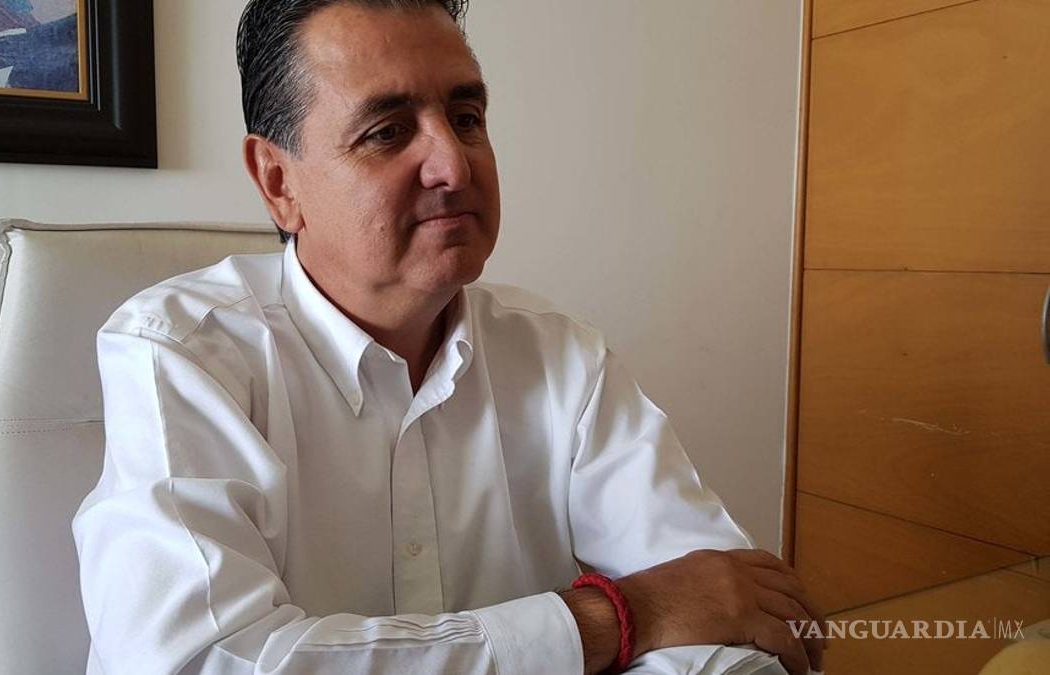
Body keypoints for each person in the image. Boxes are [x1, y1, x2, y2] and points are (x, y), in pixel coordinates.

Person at [72, 1, 826, 673]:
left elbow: (733, 607)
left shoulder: (562, 358)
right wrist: (621, 617)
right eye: (388, 131)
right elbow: (204, 661)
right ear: (278, 181)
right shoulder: (181, 352)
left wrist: (681, 615)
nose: (454, 164)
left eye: (466, 118)